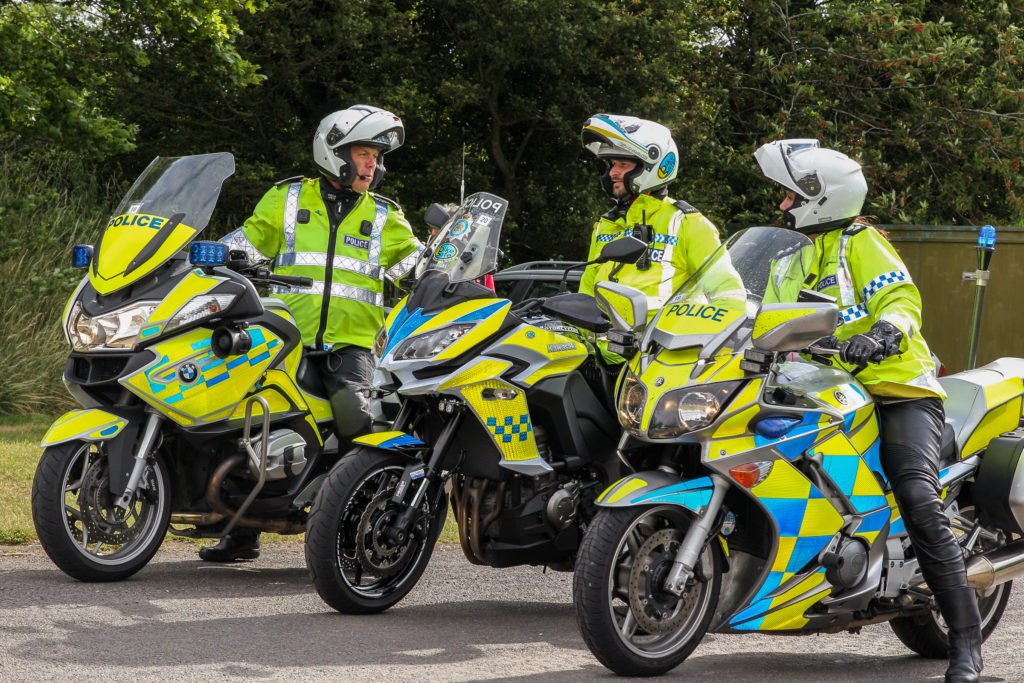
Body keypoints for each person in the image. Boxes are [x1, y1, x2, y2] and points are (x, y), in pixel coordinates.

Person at [754, 139, 982, 683]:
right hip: (821, 390)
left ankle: (967, 643)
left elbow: (900, 300)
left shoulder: (863, 242)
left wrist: (881, 335)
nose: (782, 205)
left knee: (916, 495)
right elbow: (760, 315)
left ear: (822, 197)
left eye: (791, 195)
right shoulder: (787, 257)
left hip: (896, 389)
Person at [210, 105, 424, 562]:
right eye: (366, 154)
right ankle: (240, 527)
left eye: (378, 157)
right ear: (334, 153)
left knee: (355, 418)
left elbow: (415, 263)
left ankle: (352, 532)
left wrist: (450, 264)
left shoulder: (385, 216)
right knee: (249, 419)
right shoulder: (287, 199)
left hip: (350, 347)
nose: (374, 165)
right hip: (284, 339)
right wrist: (206, 254)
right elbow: (248, 240)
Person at [578, 114, 722, 361]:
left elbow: (726, 294)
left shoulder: (689, 223)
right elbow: (587, 292)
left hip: (661, 358)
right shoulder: (607, 225)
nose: (612, 172)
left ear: (651, 166)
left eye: (622, 165)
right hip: (606, 356)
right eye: (611, 164)